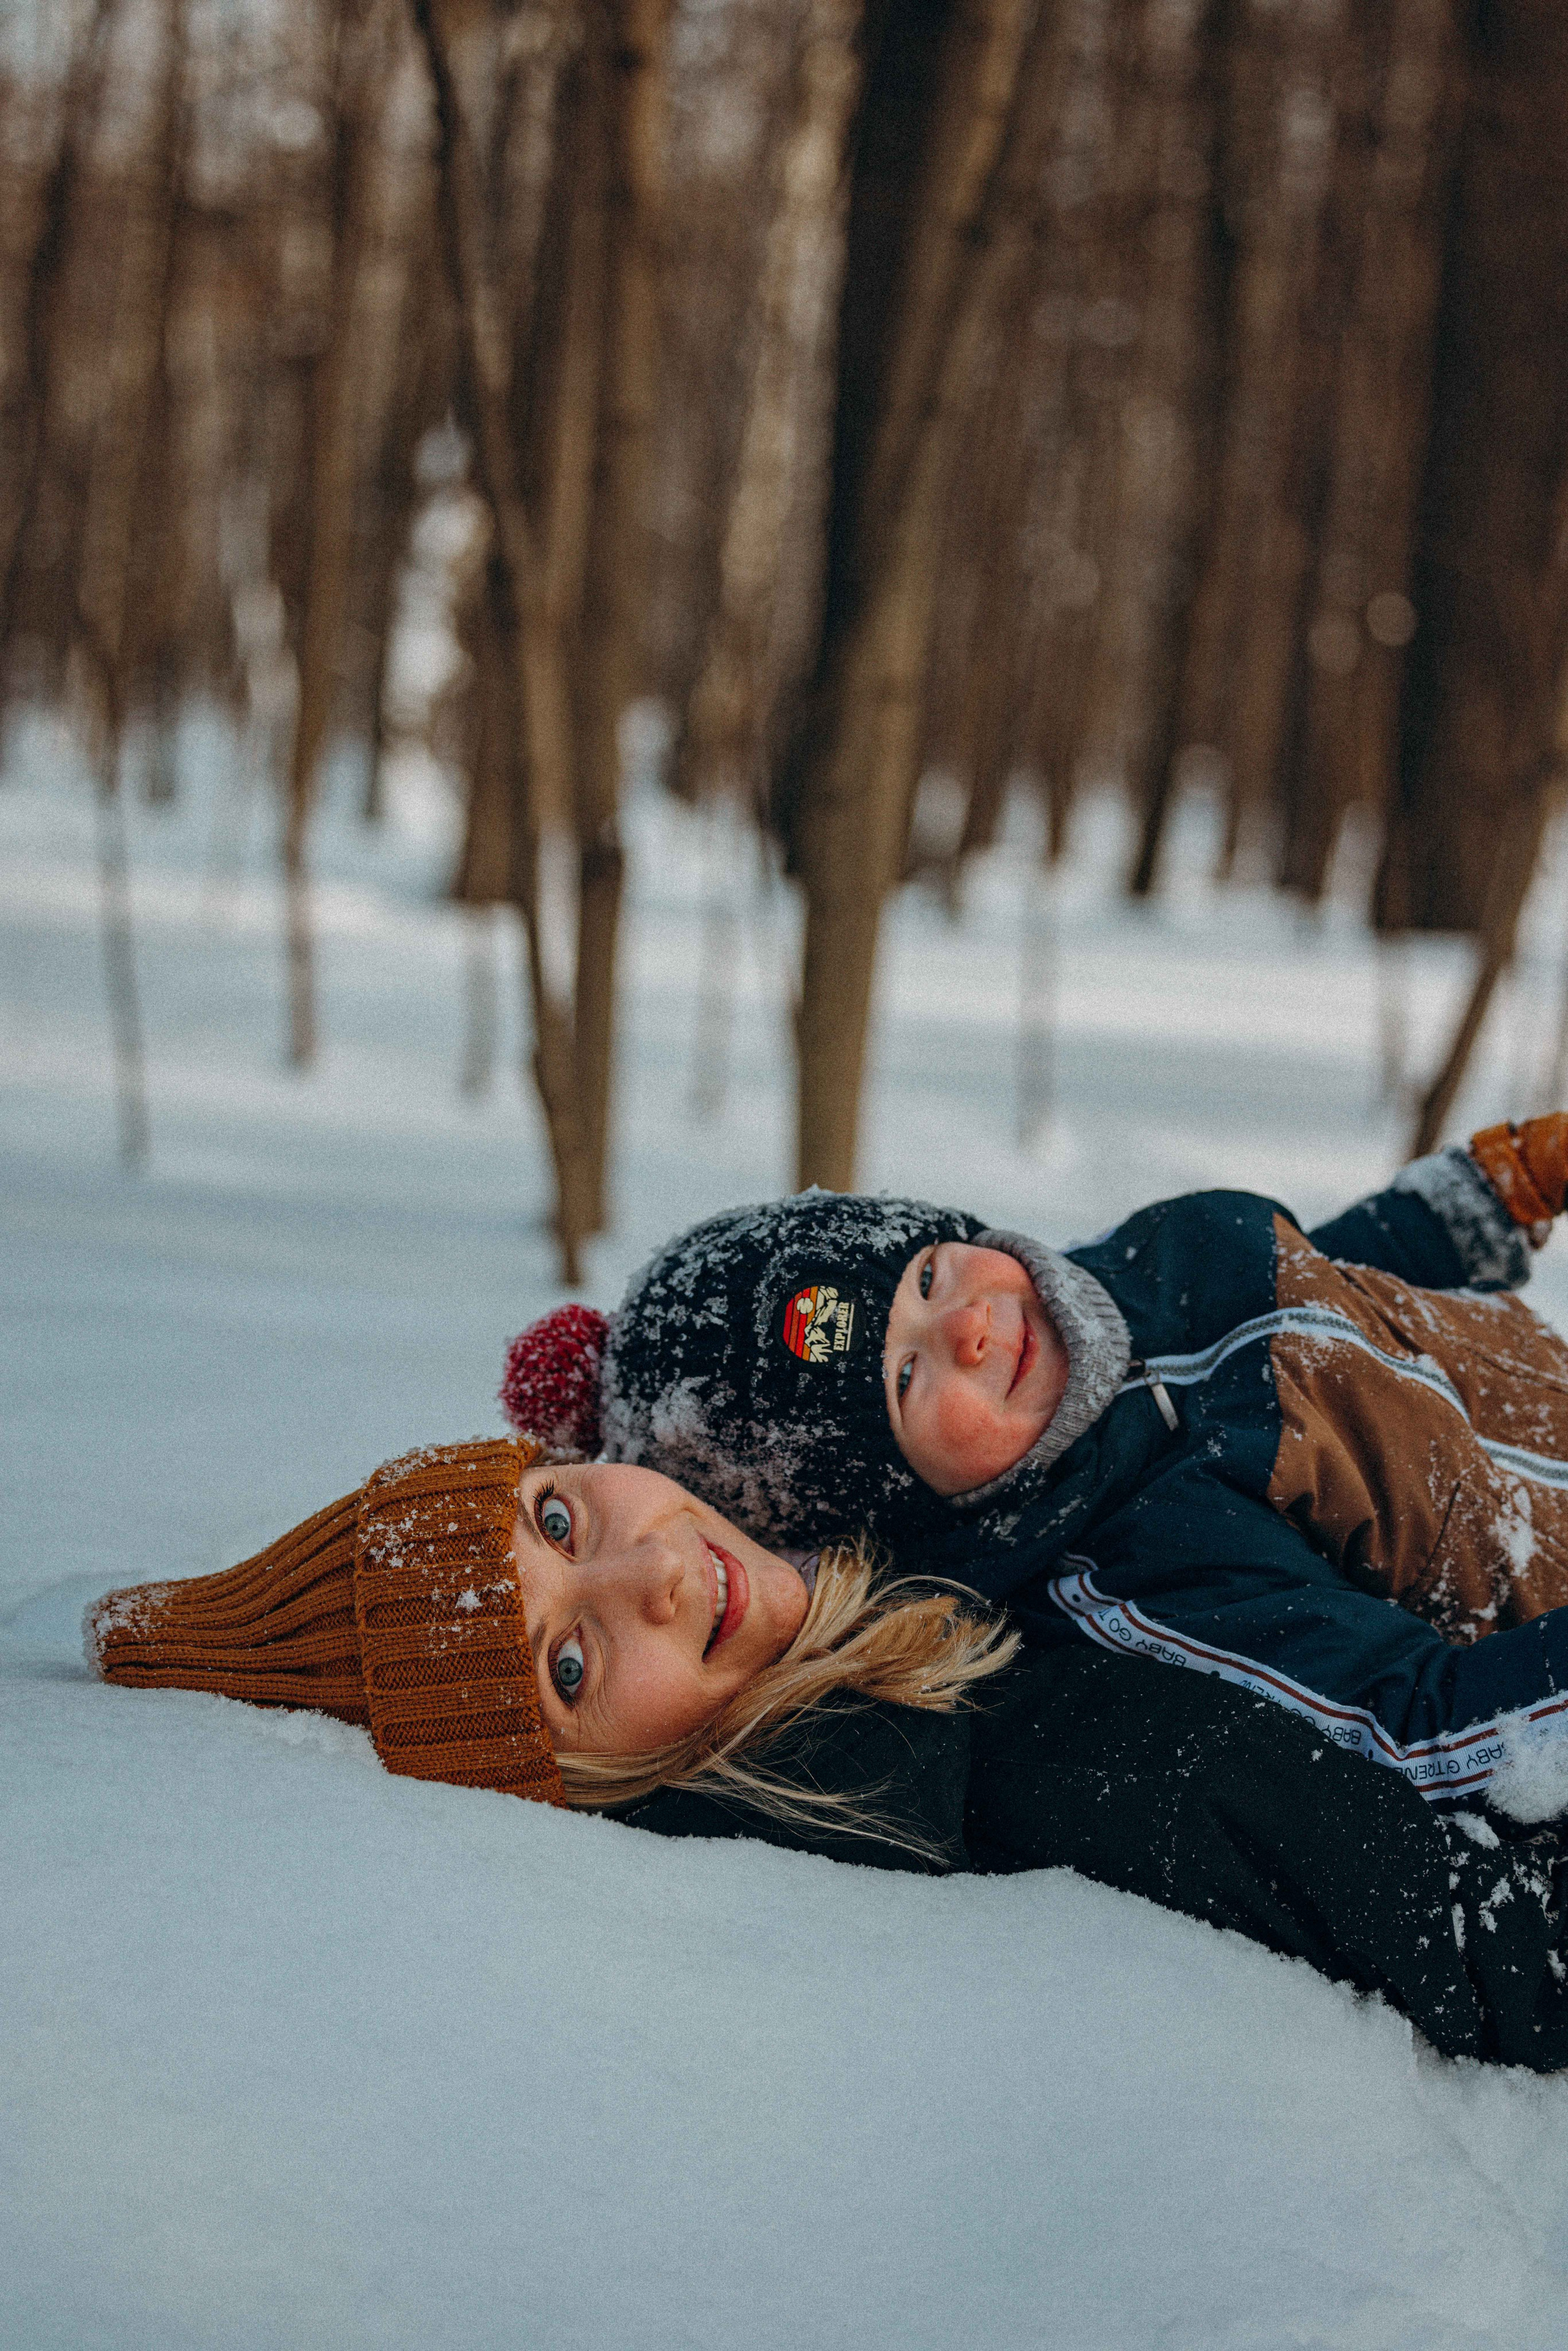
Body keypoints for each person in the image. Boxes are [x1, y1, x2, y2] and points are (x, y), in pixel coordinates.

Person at [89, 1430, 1568, 2071]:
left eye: (552, 1517)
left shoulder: (912, 1606)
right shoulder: (1063, 1773)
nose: (649, 1576)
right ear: (581, 1791)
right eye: (569, 1661)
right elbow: (1504, 1948)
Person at [500, 1115, 1568, 1814]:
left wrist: (1484, 1195)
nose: (966, 1325)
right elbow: (1412, 1728)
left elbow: (1316, 1286)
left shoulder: (1119, 1276)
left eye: (922, 1275)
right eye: (906, 1385)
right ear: (893, 1504)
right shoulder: (1145, 1564)